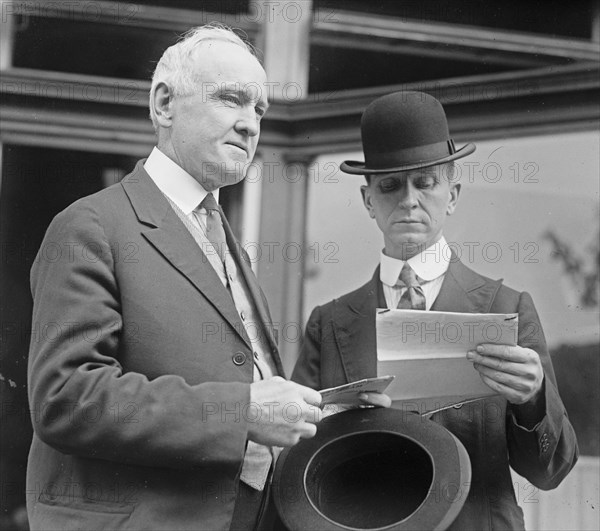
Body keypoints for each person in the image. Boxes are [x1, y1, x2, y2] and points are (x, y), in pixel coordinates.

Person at [26, 24, 324, 531]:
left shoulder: (225, 239)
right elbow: (66, 397)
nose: (251, 124)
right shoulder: (91, 225)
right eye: (232, 99)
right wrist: (241, 411)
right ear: (164, 104)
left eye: (259, 110)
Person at [292, 91, 579, 530]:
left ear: (453, 194)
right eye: (389, 185)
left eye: (425, 182)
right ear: (369, 200)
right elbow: (299, 459)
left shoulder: (506, 308)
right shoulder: (329, 323)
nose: (408, 199)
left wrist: (532, 399)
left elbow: (551, 471)